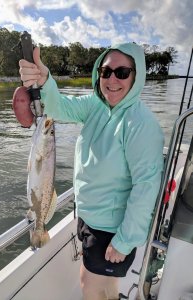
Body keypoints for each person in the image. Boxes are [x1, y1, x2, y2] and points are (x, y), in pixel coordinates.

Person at [19, 42, 164, 300]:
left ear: (136, 75)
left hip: (111, 230)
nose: (112, 79)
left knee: (90, 286)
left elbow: (146, 187)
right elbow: (59, 107)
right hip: (90, 218)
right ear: (98, 73)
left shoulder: (141, 124)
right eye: (106, 72)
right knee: (106, 287)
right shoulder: (95, 105)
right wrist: (46, 81)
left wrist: (124, 241)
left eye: (122, 73)